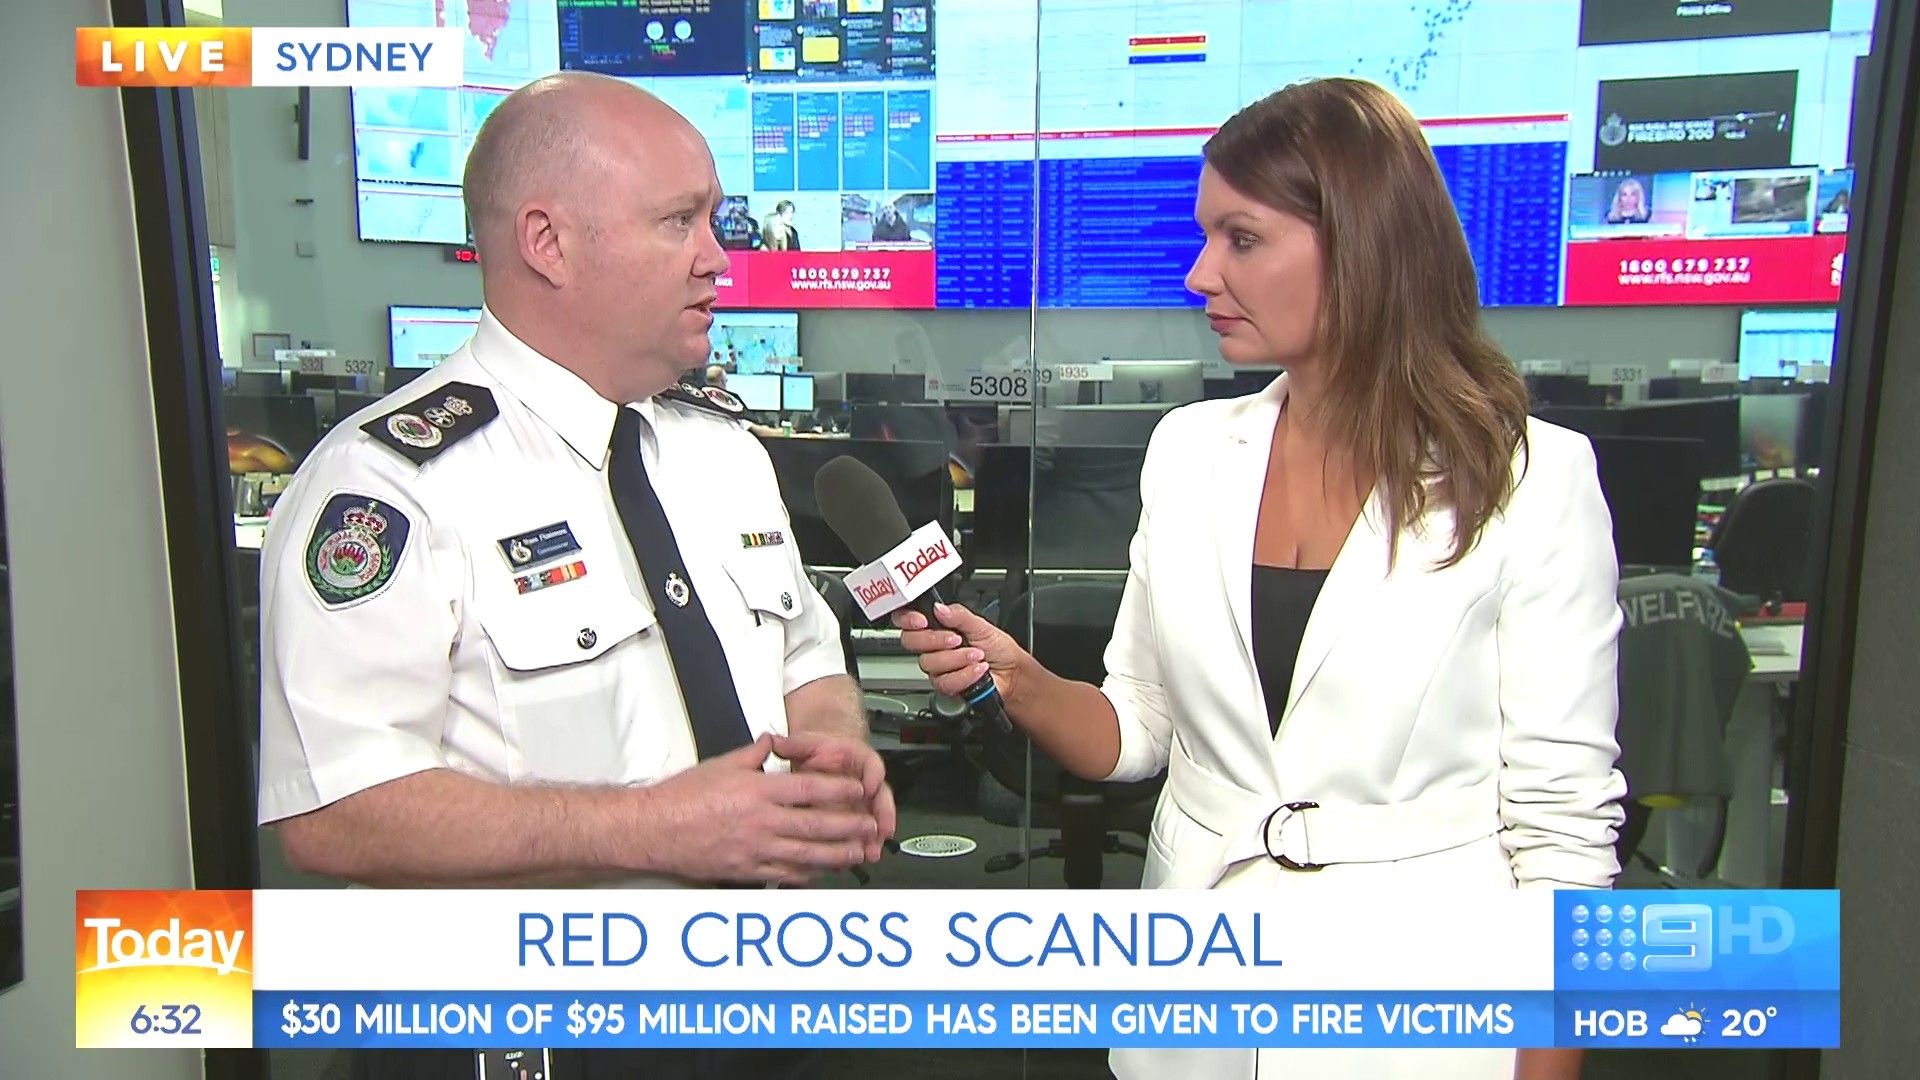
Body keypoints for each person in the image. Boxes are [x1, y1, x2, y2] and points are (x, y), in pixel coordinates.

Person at [894, 77, 1625, 1080]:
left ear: (1362, 246)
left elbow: (1564, 837)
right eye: (1207, 237)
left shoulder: (1532, 480)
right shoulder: (1190, 451)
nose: (1200, 274)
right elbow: (1139, 728)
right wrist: (1019, 681)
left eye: (1242, 239)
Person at [256, 71, 894, 1080]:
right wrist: (659, 829)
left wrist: (833, 754)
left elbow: (808, 659)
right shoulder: (386, 487)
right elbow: (333, 813)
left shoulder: (724, 453)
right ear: (547, 243)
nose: (719, 257)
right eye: (679, 221)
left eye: (714, 219)